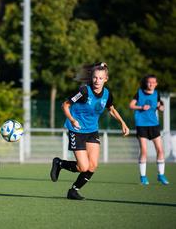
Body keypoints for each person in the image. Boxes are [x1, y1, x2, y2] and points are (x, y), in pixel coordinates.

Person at [50, 62, 129, 200]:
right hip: (77, 129)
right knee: (83, 167)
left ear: (106, 79)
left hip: (92, 130)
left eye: (100, 78)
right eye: (95, 77)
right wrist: (73, 120)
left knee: (92, 166)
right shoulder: (84, 91)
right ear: (91, 78)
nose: (97, 81)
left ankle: (73, 191)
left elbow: (111, 109)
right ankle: (59, 163)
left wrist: (123, 123)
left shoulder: (107, 94)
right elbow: (65, 105)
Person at [129, 75, 169, 185]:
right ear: (146, 83)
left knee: (160, 150)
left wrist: (161, 108)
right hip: (141, 125)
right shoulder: (139, 93)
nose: (151, 84)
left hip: (154, 125)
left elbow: (161, 107)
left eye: (153, 82)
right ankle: (143, 177)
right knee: (144, 151)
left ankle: (161, 175)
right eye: (149, 82)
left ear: (156, 84)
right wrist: (141, 107)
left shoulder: (157, 94)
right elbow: (131, 105)